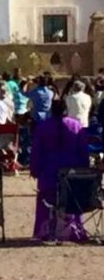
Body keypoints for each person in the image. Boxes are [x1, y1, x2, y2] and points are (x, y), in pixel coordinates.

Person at [29, 97, 90, 241]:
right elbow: (83, 149)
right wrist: (84, 167)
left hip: (49, 170)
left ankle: (45, 230)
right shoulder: (76, 125)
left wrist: (35, 168)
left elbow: (36, 150)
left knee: (47, 201)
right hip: (71, 171)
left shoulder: (43, 126)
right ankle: (74, 229)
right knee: (73, 200)